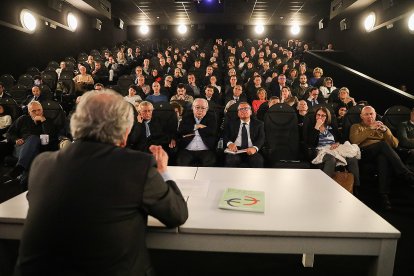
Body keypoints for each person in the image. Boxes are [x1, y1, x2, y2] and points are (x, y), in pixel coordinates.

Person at [15, 90, 188, 275]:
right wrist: (162, 172)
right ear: (125, 131)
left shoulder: (42, 164)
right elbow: (176, 214)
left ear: (76, 123)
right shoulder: (138, 166)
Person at [349, 106, 414, 210]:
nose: (369, 116)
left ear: (375, 115)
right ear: (361, 116)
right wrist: (370, 128)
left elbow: (395, 144)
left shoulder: (382, 126)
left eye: (371, 114)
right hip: (364, 153)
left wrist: (385, 131)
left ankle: (384, 196)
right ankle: (406, 174)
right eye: (366, 114)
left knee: (382, 157)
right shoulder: (356, 126)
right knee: (382, 145)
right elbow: (355, 141)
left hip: (380, 152)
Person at [305, 106, 360, 190]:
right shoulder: (311, 127)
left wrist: (337, 143)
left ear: (327, 117)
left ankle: (356, 189)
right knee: (331, 158)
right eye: (318, 115)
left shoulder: (331, 127)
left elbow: (340, 139)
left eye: (323, 115)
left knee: (352, 158)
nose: (320, 117)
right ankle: (324, 188)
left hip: (334, 149)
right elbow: (310, 143)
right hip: (320, 150)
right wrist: (316, 127)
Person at [4, 101, 58, 183]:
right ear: (29, 112)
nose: (37, 112)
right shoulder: (23, 119)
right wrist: (16, 139)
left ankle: (20, 172)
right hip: (21, 148)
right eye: (33, 111)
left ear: (42, 110)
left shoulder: (48, 121)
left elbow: (51, 136)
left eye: (39, 110)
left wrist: (43, 121)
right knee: (33, 138)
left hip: (40, 149)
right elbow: (9, 133)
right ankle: (22, 172)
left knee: (34, 140)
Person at [176, 98, 217, 167]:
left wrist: (191, 128)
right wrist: (196, 126)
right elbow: (182, 130)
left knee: (210, 163)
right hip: (188, 149)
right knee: (181, 162)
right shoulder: (186, 116)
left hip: (205, 149)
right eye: (197, 107)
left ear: (207, 109)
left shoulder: (212, 117)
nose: (200, 110)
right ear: (192, 108)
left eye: (203, 108)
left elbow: (212, 131)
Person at [223, 102, 265, 168]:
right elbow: (225, 135)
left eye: (246, 108)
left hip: (251, 149)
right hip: (236, 150)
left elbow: (261, 138)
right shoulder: (231, 123)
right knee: (232, 160)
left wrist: (255, 148)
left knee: (257, 160)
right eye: (241, 109)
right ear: (238, 113)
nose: (243, 111)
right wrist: (230, 144)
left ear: (251, 112)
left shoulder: (259, 124)